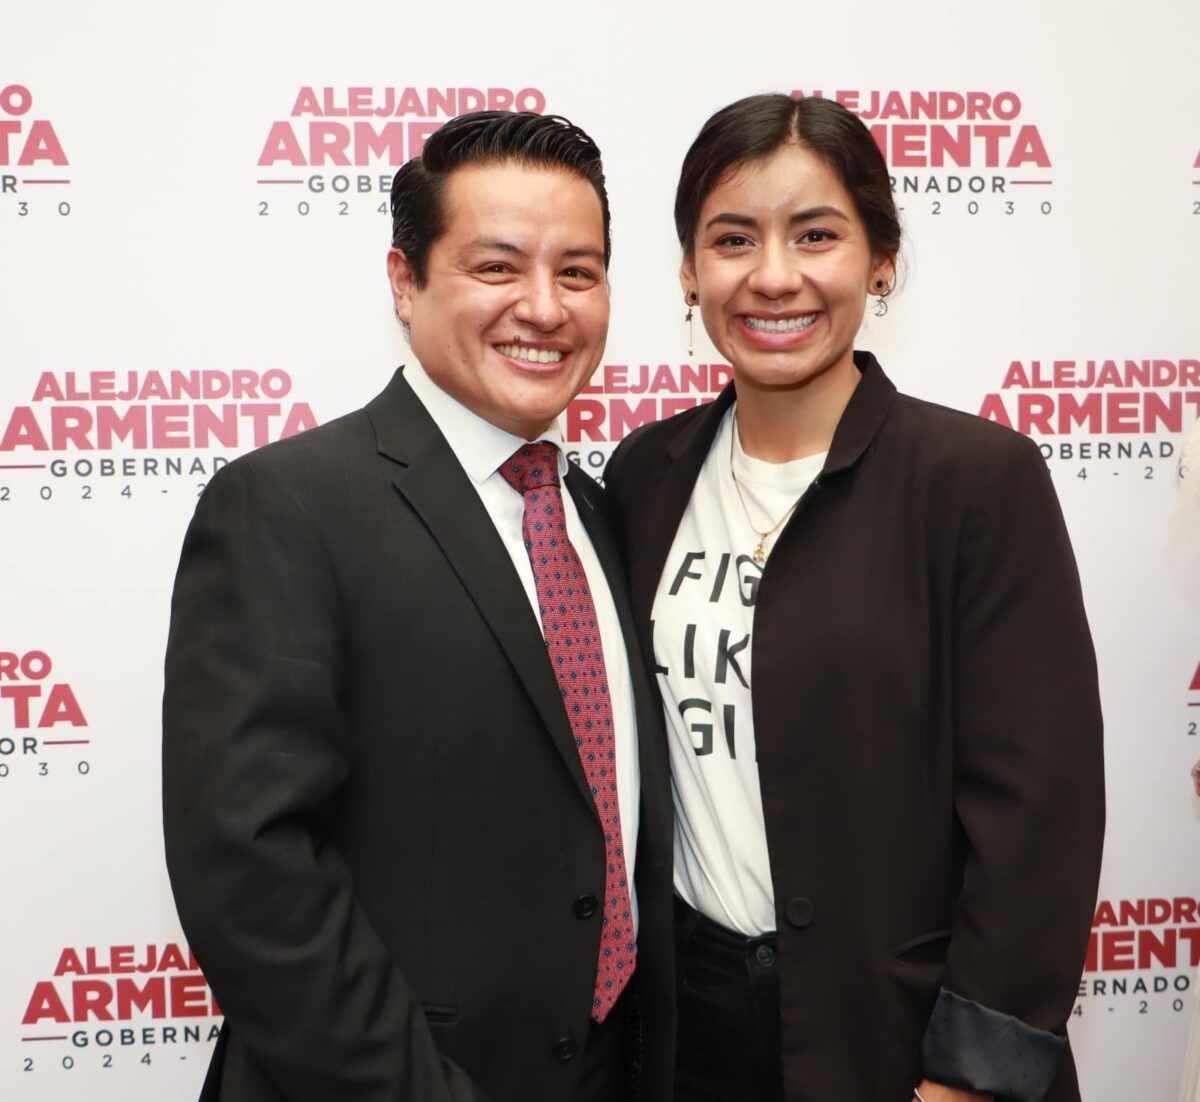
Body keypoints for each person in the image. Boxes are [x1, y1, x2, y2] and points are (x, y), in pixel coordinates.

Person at [162, 110, 675, 1102]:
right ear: (406, 282)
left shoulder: (600, 516)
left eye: (579, 271)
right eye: (497, 267)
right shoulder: (289, 506)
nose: (545, 307)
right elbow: (254, 874)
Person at [604, 93, 1105, 1102]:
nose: (774, 276)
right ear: (690, 272)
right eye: (733, 238)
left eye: (816, 234)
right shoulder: (644, 477)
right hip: (688, 1037)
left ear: (880, 262)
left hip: (902, 1033)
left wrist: (967, 1075)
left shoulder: (973, 479)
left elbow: (1038, 813)